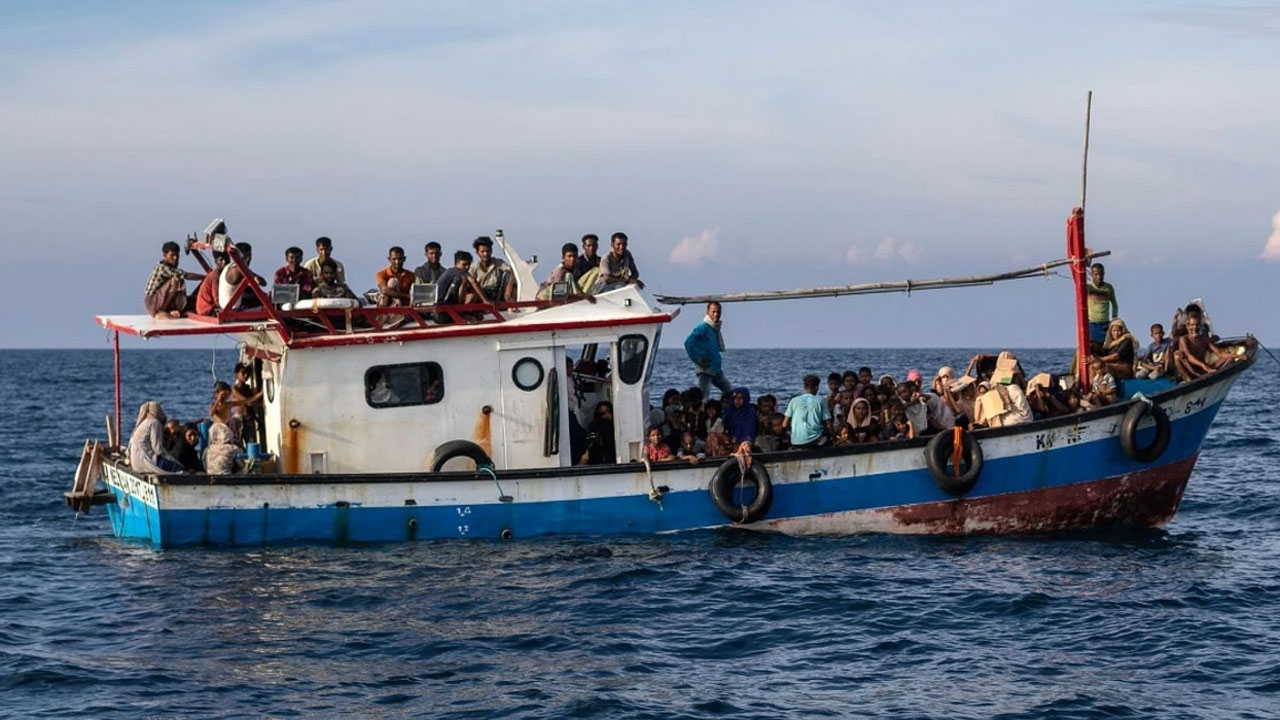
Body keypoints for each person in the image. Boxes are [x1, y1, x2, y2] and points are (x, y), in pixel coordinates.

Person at [684, 301, 733, 399]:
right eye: (713, 312)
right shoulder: (703, 327)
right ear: (708, 312)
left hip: (716, 368)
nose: (716, 314)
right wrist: (698, 360)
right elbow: (688, 343)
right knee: (703, 397)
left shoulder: (715, 328)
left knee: (730, 391)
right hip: (706, 369)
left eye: (718, 312)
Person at [143, 241, 203, 318]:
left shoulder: (169, 267)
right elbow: (186, 275)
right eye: (172, 255)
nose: (175, 258)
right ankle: (163, 310)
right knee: (177, 280)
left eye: (177, 255)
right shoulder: (163, 268)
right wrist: (205, 277)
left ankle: (170, 307)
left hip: (157, 300)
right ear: (164, 255)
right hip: (152, 302)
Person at [1172, 314, 1237, 381]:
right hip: (1191, 370)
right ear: (1187, 326)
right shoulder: (1183, 339)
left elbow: (1219, 353)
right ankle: (1189, 381)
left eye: (1197, 325)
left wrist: (1238, 356)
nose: (1195, 327)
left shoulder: (1203, 338)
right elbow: (1189, 356)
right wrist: (1203, 365)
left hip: (1204, 369)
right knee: (1177, 356)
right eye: (1192, 325)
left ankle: (1216, 376)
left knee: (1230, 359)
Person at [128, 402, 185, 474]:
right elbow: (157, 449)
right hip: (146, 460)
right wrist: (172, 460)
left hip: (135, 463)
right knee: (180, 468)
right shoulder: (154, 422)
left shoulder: (143, 422)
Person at [435, 250, 492, 319]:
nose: (467, 267)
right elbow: (473, 281)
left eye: (469, 264)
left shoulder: (450, 271)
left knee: (472, 296)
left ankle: (466, 312)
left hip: (442, 307)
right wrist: (485, 301)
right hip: (442, 310)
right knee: (464, 280)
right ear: (457, 263)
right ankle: (461, 312)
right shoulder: (457, 271)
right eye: (464, 264)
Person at [783, 375, 832, 449]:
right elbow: (829, 424)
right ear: (816, 387)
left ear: (804, 387)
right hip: (816, 441)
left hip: (796, 441)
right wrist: (834, 437)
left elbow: (784, 424)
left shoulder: (794, 400)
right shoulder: (820, 400)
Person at [218, 242, 267, 311]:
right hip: (232, 310)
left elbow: (263, 283)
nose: (249, 258)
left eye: (250, 255)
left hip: (228, 306)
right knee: (270, 307)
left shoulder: (230, 266)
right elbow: (260, 282)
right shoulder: (238, 270)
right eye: (247, 256)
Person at [470, 236, 515, 303]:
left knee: (511, 279)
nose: (486, 254)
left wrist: (508, 290)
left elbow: (513, 271)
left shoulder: (498, 263)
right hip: (481, 295)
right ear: (477, 252)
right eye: (482, 251)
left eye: (488, 251)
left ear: (491, 251)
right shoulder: (474, 267)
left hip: (497, 294)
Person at [1086, 263, 1119, 347]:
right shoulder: (1088, 287)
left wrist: (1114, 317)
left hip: (1105, 322)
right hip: (1093, 322)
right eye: (1096, 274)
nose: (1099, 277)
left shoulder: (1108, 287)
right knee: (1093, 345)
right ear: (1092, 274)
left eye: (1101, 274)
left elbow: (1114, 303)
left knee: (1108, 344)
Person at [194, 252, 228, 316]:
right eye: (221, 260)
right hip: (206, 309)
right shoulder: (215, 276)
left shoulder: (220, 274)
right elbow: (217, 300)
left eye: (226, 259)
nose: (224, 262)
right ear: (216, 262)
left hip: (208, 307)